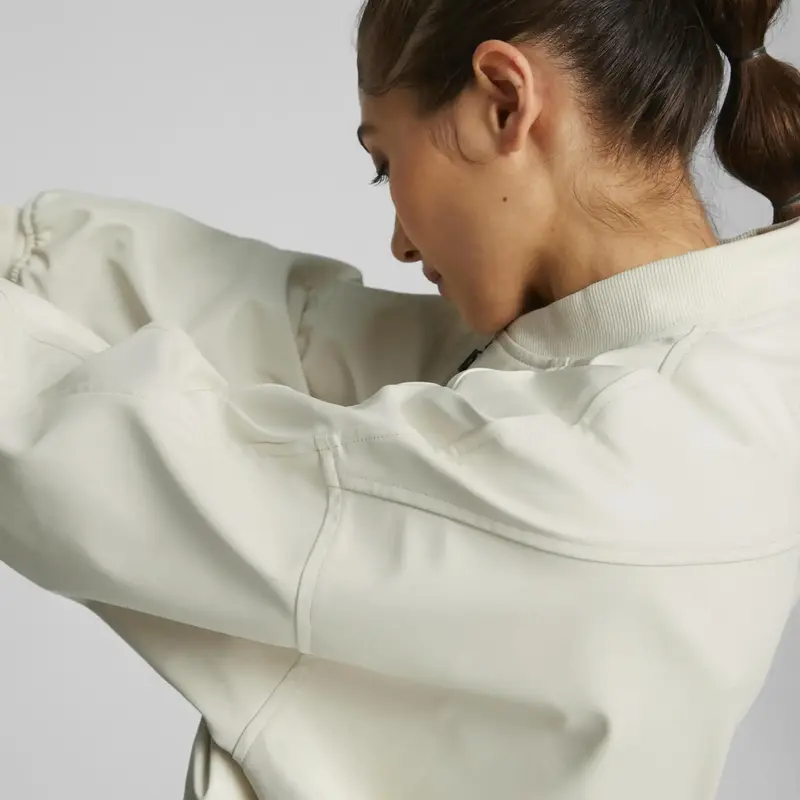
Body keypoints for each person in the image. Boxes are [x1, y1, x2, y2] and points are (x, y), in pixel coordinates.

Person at [1, 0, 800, 797]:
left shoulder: (595, 471)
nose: (401, 242)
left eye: (386, 165)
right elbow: (305, 334)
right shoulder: (722, 370)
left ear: (503, 101)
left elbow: (110, 469)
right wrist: (24, 245)